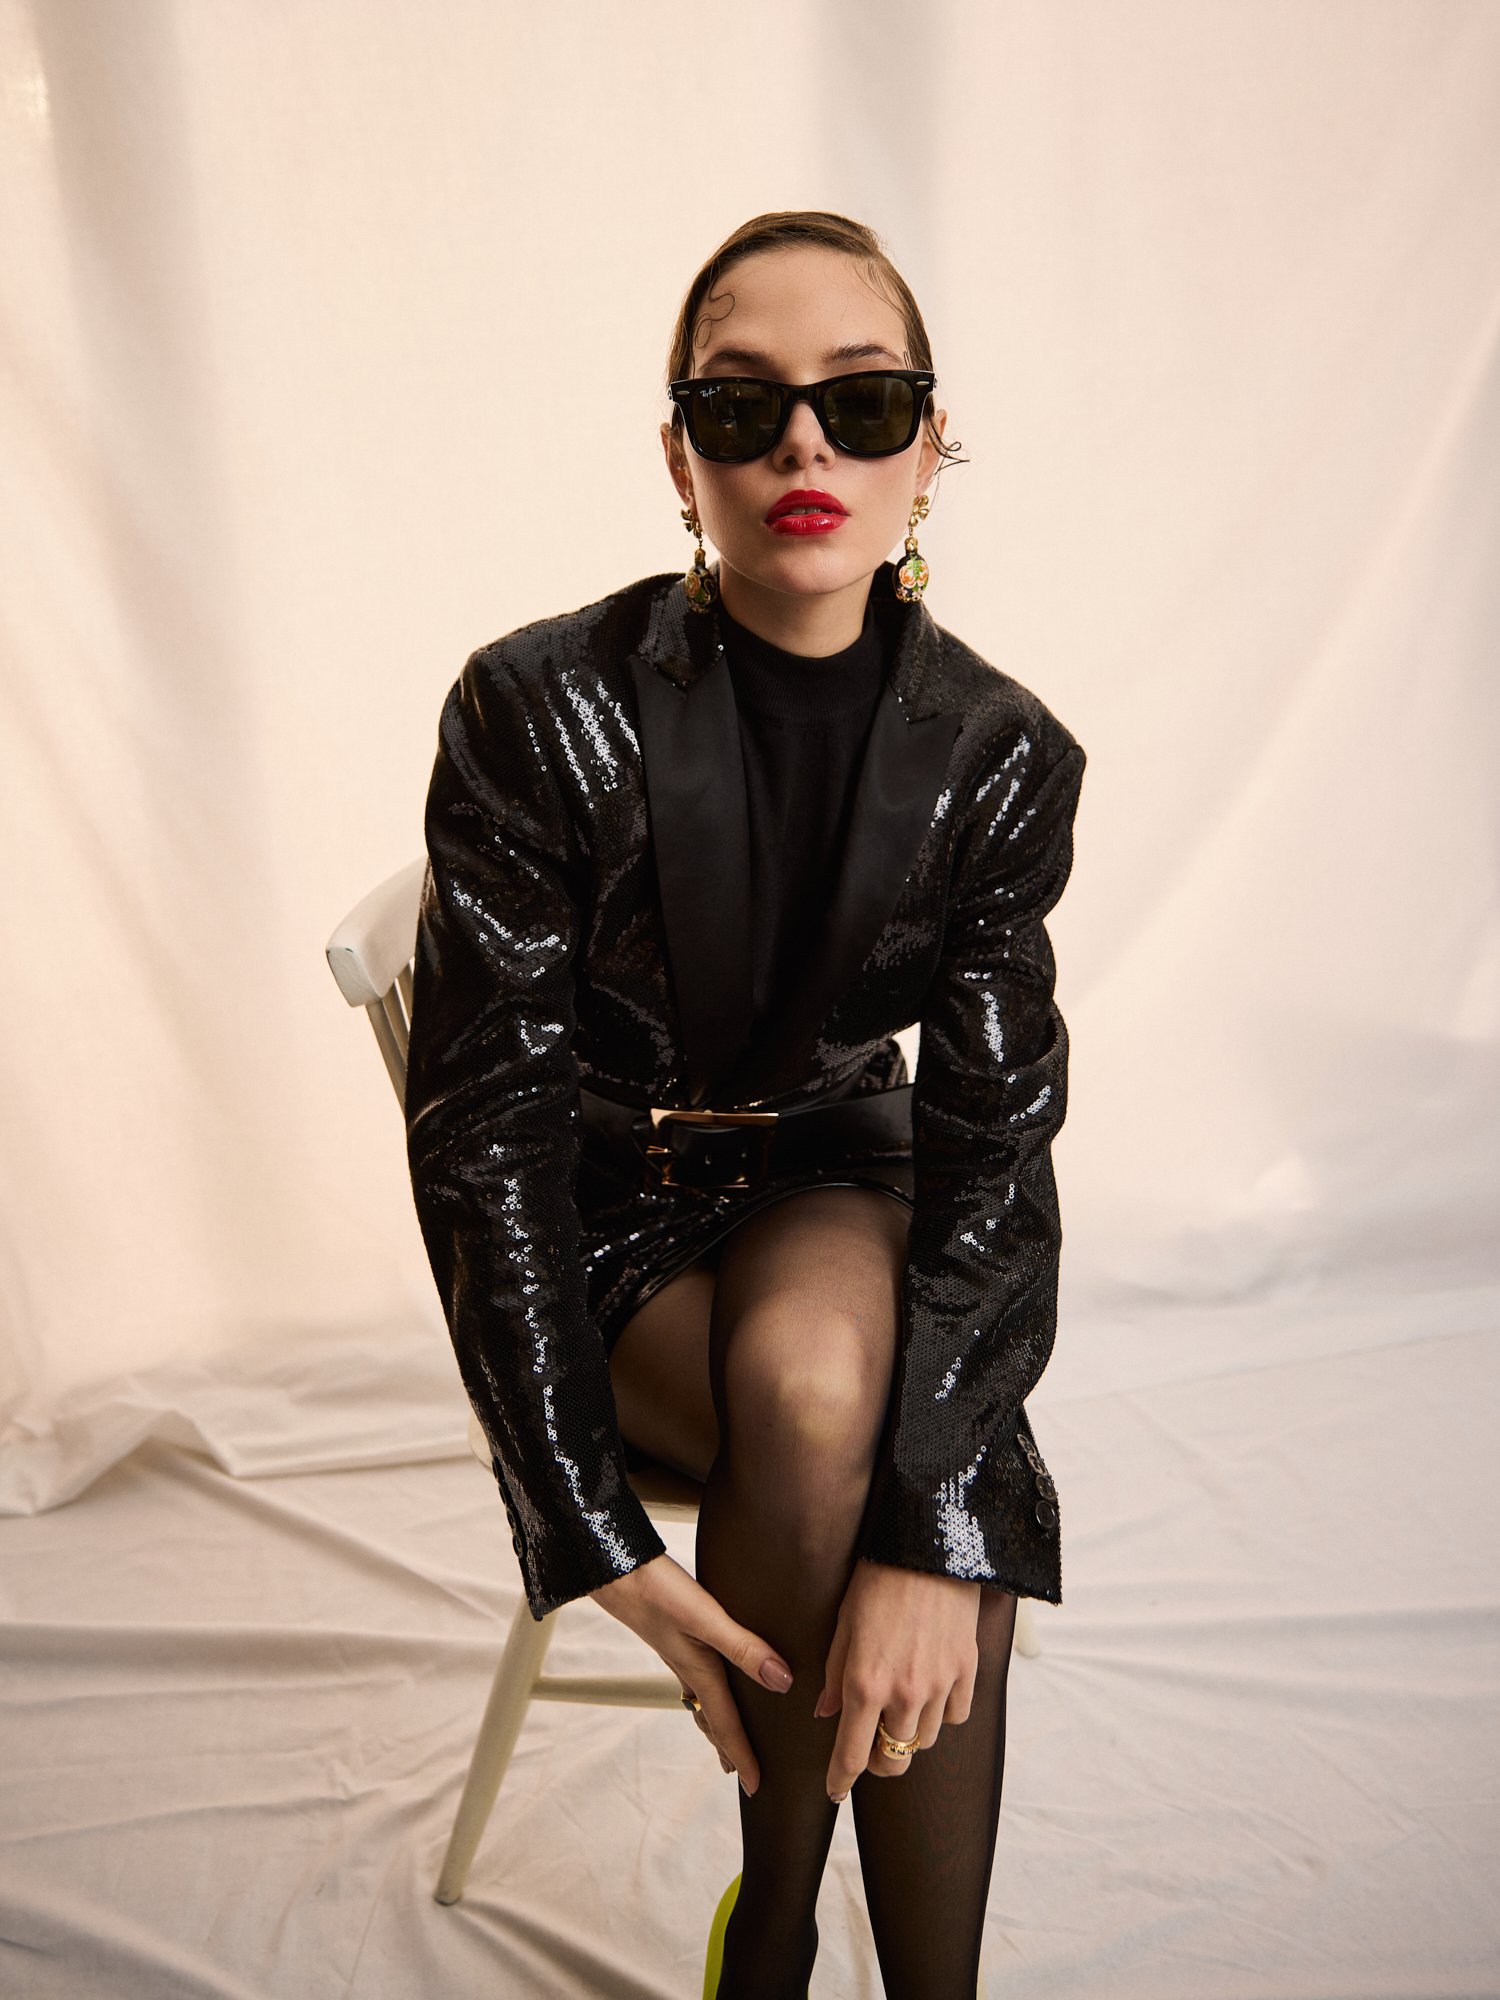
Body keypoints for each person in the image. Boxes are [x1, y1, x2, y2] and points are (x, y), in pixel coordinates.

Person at [404, 209, 1087, 2000]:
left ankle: (790, 1936)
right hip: (603, 1219)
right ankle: (779, 1928)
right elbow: (481, 1145)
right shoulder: (534, 706)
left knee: (835, 1391)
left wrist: (933, 1539)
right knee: (835, 1411)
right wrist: (587, 1529)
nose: (804, 447)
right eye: (741, 404)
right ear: (678, 455)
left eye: (863, 403)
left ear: (930, 446)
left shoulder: (1004, 754)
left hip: (835, 1189)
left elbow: (995, 1150)